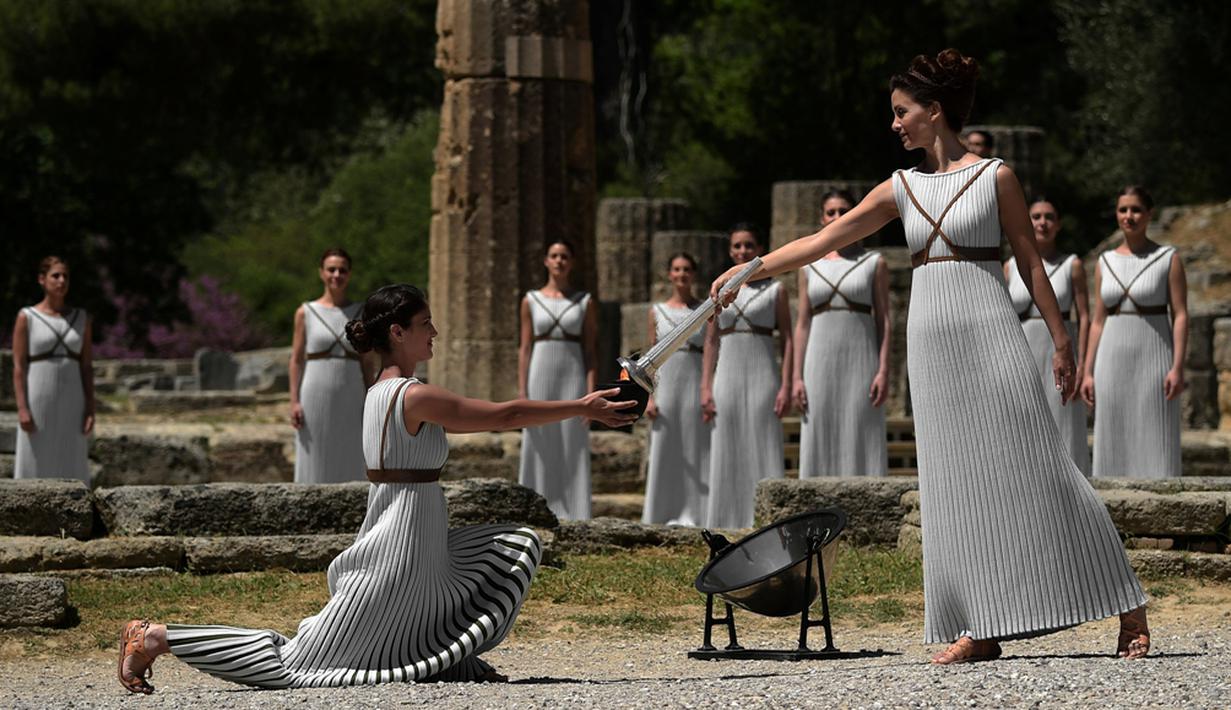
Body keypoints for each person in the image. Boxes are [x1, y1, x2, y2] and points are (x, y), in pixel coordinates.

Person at [711, 49, 1149, 664]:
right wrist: (752, 268)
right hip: (933, 342)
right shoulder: (900, 188)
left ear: (933, 111)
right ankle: (979, 622)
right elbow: (823, 240)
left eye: (901, 111)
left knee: (1041, 464)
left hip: (991, 330)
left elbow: (1028, 260)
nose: (894, 123)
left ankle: (1127, 602)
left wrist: (1060, 339)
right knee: (954, 482)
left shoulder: (995, 175)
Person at [117, 284, 636, 693]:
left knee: (481, 569)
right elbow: (506, 414)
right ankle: (157, 636)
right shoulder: (410, 396)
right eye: (425, 324)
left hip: (414, 532)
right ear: (397, 331)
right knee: (298, 662)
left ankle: (442, 658)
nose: (434, 332)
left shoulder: (378, 392)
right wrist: (582, 407)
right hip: (398, 543)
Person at [1082, 186, 1187, 478]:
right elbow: (1097, 320)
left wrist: (1177, 367)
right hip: (1111, 358)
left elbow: (1180, 315)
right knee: (1113, 429)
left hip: (1154, 355)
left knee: (1156, 429)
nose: (1129, 216)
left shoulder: (1168, 258)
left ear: (1149, 214)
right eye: (1123, 210)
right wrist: (1088, 371)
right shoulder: (1105, 262)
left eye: (1136, 210)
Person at [793, 190, 891, 477]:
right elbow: (802, 323)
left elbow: (884, 319)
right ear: (822, 218)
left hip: (861, 358)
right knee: (819, 425)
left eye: (843, 211)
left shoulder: (874, 263)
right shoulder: (810, 266)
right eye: (831, 212)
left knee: (861, 425)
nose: (837, 217)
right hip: (818, 360)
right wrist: (797, 376)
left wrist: (883, 370)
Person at [702, 224, 793, 529]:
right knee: (727, 442)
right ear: (730, 251)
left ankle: (767, 520)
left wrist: (786, 383)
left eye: (749, 246)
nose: (743, 251)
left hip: (763, 374)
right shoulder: (718, 290)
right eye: (738, 246)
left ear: (759, 249)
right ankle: (725, 520)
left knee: (763, 440)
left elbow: (789, 339)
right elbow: (711, 340)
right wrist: (705, 386)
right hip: (726, 374)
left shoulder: (775, 290)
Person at [1004, 198, 1091, 475]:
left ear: (1059, 224)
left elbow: (1085, 317)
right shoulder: (1010, 266)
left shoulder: (1072, 265)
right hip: (1023, 354)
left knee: (1063, 425)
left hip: (1060, 354)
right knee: (1024, 427)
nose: (1042, 222)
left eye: (1049, 217)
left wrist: (1084, 366)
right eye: (1037, 216)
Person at [518, 240, 599, 520]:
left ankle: (575, 510)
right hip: (540, 370)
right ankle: (534, 506)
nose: (559, 261)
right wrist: (522, 392)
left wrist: (590, 393)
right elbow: (525, 347)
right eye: (554, 256)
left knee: (572, 438)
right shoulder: (530, 300)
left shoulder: (584, 302)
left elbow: (590, 350)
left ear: (571, 262)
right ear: (546, 261)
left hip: (572, 371)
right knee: (539, 437)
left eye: (564, 256)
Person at [289, 248, 375, 483]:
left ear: (349, 274)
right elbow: (296, 359)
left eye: (342, 270)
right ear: (321, 272)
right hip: (314, 391)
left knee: (351, 452)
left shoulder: (360, 314)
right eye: (331, 269)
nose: (337, 274)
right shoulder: (305, 312)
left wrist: (371, 397)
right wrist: (294, 400)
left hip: (351, 392)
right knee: (314, 452)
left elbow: (367, 361)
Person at [642, 252, 711, 526]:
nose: (682, 274)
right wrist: (648, 397)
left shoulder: (705, 309)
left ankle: (698, 512)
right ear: (669, 274)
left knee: (696, 446)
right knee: (666, 447)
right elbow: (649, 359)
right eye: (677, 269)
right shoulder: (656, 311)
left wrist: (708, 389)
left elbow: (710, 353)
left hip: (693, 381)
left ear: (693, 275)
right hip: (666, 385)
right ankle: (661, 512)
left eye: (686, 269)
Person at [12, 256, 93, 481]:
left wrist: (90, 407)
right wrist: (22, 408)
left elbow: (86, 366)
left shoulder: (82, 319)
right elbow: (19, 366)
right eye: (55, 275)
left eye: (65, 276)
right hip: (38, 396)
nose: (61, 281)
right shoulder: (27, 317)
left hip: (73, 398)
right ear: (42, 279)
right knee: (36, 454)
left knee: (72, 454)